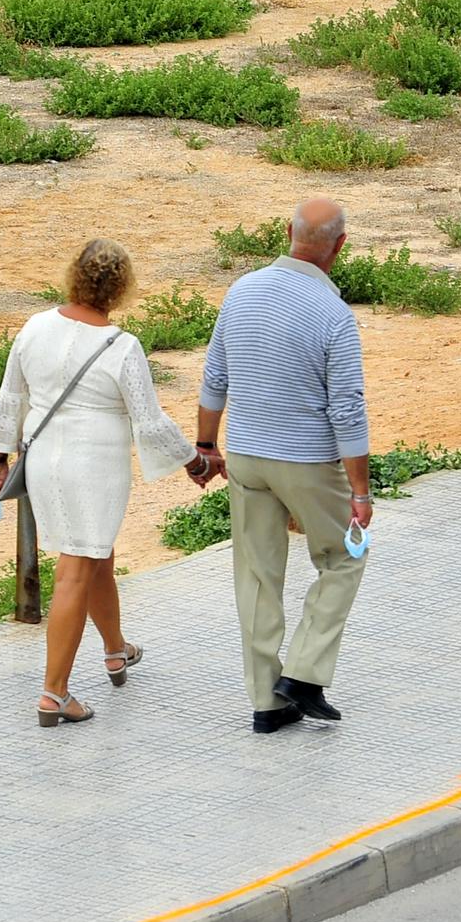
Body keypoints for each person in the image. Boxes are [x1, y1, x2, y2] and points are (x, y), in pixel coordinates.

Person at [0, 239, 214, 727]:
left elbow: (11, 396)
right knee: (76, 567)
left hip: (44, 459)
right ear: (122, 288)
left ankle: (115, 649)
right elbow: (148, 422)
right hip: (95, 466)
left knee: (94, 555)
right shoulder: (122, 346)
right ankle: (54, 694)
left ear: (73, 275)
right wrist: (193, 460)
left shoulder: (35, 326)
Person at [194, 198, 373, 735]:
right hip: (308, 460)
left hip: (246, 454)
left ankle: (266, 704)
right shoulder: (332, 315)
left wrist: (207, 446)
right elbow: (346, 407)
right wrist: (360, 492)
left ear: (287, 234)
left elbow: (214, 376)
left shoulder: (241, 291)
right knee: (343, 558)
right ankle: (304, 674)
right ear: (339, 247)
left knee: (256, 575)